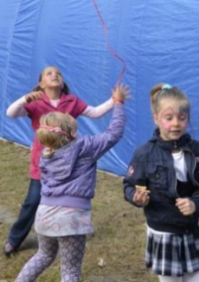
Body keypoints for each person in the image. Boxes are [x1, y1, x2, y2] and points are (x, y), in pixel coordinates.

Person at [15, 84, 130, 281]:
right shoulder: (85, 147)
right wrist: (118, 104)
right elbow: (114, 133)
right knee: (70, 271)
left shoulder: (45, 154)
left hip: (44, 215)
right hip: (72, 218)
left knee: (43, 255)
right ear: (71, 132)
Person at [3, 66, 115, 256]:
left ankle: (65, 233)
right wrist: (25, 98)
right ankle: (14, 240)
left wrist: (115, 100)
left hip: (68, 164)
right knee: (33, 201)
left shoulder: (72, 102)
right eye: (49, 73)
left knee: (67, 201)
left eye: (58, 73)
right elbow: (11, 113)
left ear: (62, 82)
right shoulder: (36, 102)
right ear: (41, 83)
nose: (55, 75)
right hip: (44, 164)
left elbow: (96, 112)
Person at [123, 84, 199, 282]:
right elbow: (129, 185)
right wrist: (136, 197)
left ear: (188, 119)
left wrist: (195, 204)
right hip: (162, 230)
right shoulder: (144, 154)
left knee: (195, 277)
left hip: (190, 228)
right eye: (169, 118)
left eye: (182, 118)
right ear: (156, 118)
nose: (176, 123)